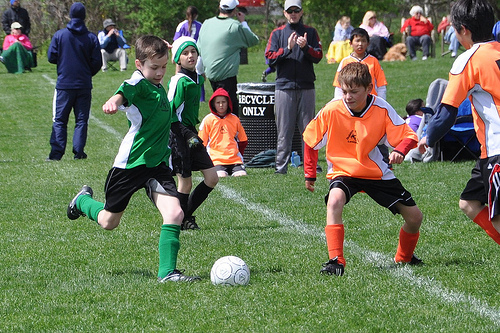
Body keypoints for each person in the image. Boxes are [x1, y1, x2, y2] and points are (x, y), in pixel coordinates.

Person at [67, 35, 201, 283]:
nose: (161, 72)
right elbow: (125, 90)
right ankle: (83, 201)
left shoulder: (158, 84)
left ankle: (167, 273)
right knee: (109, 221)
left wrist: (163, 47)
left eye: (163, 66)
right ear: (139, 64)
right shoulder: (139, 83)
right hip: (131, 165)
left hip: (157, 166)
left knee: (175, 214)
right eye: (154, 67)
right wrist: (113, 101)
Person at [303, 62, 423, 276]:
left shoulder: (382, 108)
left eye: (354, 92)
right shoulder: (332, 109)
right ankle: (335, 261)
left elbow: (408, 135)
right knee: (334, 200)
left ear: (369, 89)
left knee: (415, 218)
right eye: (344, 91)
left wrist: (401, 151)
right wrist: (310, 174)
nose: (348, 97)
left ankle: (404, 257)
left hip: (375, 172)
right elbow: (310, 139)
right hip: (343, 170)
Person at [418, 0, 500, 245]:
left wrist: (427, 137)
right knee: (469, 202)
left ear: (463, 30)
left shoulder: (467, 60)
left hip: (497, 150)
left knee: (498, 218)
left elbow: (447, 111)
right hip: (488, 153)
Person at [264, 0, 323, 175]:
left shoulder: (311, 32)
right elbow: (269, 58)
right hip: (284, 87)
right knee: (284, 130)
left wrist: (305, 48)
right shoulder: (277, 34)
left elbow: (318, 56)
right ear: (284, 13)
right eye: (290, 11)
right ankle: (280, 168)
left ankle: (310, 166)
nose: (293, 14)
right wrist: (287, 49)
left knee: (308, 130)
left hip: (306, 87)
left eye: (296, 11)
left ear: (301, 12)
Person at [168, 36, 218, 230]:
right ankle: (179, 222)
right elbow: (170, 115)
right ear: (178, 59)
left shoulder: (196, 77)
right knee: (185, 183)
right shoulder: (178, 81)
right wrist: (186, 134)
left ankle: (184, 216)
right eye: (185, 53)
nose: (190, 56)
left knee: (212, 177)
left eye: (193, 52)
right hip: (179, 135)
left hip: (191, 135)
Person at [46, 2, 101, 161]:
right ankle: (78, 152)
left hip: (64, 85)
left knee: (60, 120)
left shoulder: (60, 35)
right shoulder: (91, 37)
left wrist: (64, 64)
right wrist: (87, 73)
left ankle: (56, 154)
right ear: (84, 17)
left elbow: (51, 57)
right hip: (84, 85)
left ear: (70, 15)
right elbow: (97, 62)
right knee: (82, 120)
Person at [197, 0, 259, 114]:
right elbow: (253, 40)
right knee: (230, 112)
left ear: (219, 7)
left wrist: (199, 70)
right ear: (235, 10)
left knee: (218, 110)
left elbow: (199, 49)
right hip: (227, 78)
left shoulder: (206, 23)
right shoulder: (234, 26)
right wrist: (243, 22)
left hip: (211, 76)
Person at [199, 87, 248, 177]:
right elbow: (202, 143)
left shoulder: (235, 119)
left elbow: (243, 141)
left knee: (242, 175)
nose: (221, 105)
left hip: (234, 159)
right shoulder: (208, 119)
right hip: (216, 159)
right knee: (221, 175)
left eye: (223, 102)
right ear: (213, 104)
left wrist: (238, 154)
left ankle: (237, 168)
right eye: (218, 102)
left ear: (228, 103)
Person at [332, 28, 387, 101]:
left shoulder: (374, 61)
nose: (360, 44)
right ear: (351, 43)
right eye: (357, 41)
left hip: (370, 102)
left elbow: (381, 85)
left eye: (363, 41)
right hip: (350, 101)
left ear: (368, 43)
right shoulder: (345, 62)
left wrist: (380, 102)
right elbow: (338, 86)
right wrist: (338, 102)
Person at [173, 6, 205, 102]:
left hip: (183, 54)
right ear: (196, 15)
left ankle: (179, 94)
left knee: (179, 74)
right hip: (196, 53)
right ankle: (201, 98)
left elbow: (176, 41)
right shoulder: (200, 25)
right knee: (199, 75)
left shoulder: (181, 25)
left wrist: (174, 54)